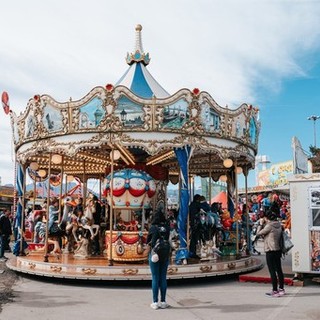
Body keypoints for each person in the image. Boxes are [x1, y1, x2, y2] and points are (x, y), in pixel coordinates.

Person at [256, 210, 285, 297]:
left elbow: (258, 233)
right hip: (278, 250)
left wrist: (261, 224)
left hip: (270, 250)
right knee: (279, 270)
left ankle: (275, 290)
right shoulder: (279, 225)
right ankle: (281, 289)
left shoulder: (269, 226)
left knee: (272, 271)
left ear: (267, 218)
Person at [147, 210, 170, 310]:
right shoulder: (167, 228)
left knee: (155, 277)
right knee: (163, 277)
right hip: (165, 254)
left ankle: (155, 302)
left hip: (155, 254)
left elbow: (149, 242)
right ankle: (163, 301)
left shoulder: (153, 228)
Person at [189, 194, 201, 258]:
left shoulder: (192, 205)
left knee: (194, 238)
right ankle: (193, 252)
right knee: (194, 238)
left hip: (193, 223)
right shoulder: (196, 204)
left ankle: (193, 251)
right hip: (195, 223)